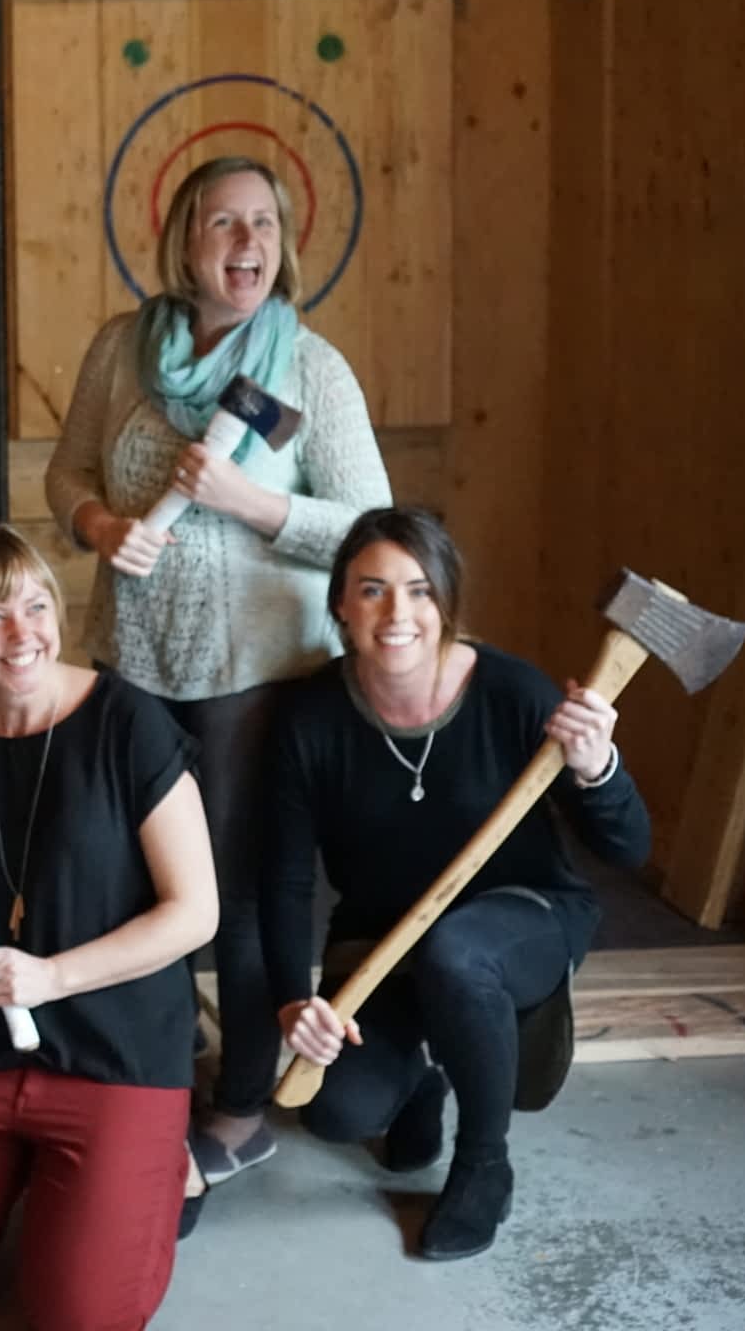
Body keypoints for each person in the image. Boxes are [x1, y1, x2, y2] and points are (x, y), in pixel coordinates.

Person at [43, 154, 390, 1182]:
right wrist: (100, 523)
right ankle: (142, 1068)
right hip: (132, 663)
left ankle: (238, 1106)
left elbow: (372, 531)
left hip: (256, 677)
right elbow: (65, 471)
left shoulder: (307, 370)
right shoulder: (122, 350)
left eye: (263, 226)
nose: (245, 245)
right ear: (182, 241)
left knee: (232, 895)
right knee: (122, 883)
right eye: (223, 223)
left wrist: (248, 502)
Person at [264, 506, 649, 1260]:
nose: (397, 612)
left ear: (447, 600)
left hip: (525, 918)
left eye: (419, 590)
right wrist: (290, 1003)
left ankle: (483, 1164)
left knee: (459, 953)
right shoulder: (310, 719)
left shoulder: (512, 693)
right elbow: (282, 884)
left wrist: (598, 767)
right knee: (338, 1110)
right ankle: (421, 1081)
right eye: (372, 590)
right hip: (384, 937)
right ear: (341, 603)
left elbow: (628, 848)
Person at [0, 526, 216, 1331]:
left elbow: (196, 912)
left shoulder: (130, 723)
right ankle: (24, 1165)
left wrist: (52, 978)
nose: (21, 634)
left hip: (118, 1051)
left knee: (80, 1319)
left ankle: (168, 1161)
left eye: (35, 605)